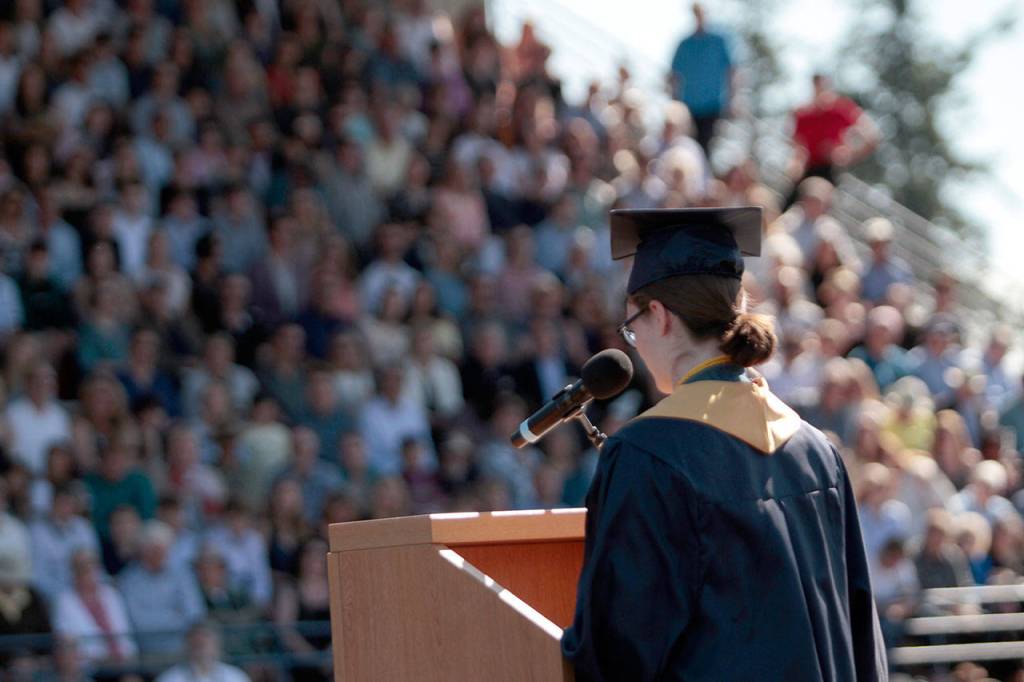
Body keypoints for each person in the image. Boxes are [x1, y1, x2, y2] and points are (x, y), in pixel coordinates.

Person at [561, 207, 887, 680]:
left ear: (660, 316)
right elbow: (861, 638)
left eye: (632, 327)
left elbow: (617, 653)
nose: (634, 344)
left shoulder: (648, 455)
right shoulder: (818, 453)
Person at [668, 4, 733, 155]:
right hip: (688, 106)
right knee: (687, 146)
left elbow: (731, 71)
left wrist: (731, 99)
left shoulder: (719, 41)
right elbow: (674, 76)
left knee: (706, 147)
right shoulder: (685, 44)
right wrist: (675, 103)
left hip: (712, 105)